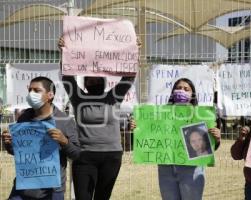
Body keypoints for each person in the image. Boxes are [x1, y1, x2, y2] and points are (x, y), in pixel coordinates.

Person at [58, 37, 139, 200]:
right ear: (85, 83)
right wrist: (63, 53)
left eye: (96, 79)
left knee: (103, 197)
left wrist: (135, 52)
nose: (93, 81)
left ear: (104, 81)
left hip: (112, 156)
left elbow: (129, 77)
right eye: (89, 79)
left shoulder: (114, 97)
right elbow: (67, 78)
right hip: (84, 156)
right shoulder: (78, 97)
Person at [131, 78, 221, 200]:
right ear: (173, 92)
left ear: (192, 95)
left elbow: (206, 148)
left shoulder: (200, 116)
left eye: (186, 89)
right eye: (178, 88)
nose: (181, 91)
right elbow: (151, 134)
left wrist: (216, 138)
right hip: (166, 170)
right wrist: (138, 127)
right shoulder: (160, 115)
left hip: (191, 170)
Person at [1, 76, 81, 200]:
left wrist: (64, 141)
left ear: (50, 95)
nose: (31, 94)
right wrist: (9, 143)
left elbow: (76, 154)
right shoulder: (24, 117)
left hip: (51, 190)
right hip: (23, 187)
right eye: (30, 90)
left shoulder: (65, 121)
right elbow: (18, 152)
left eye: (37, 91)